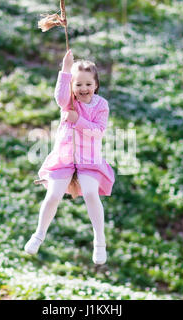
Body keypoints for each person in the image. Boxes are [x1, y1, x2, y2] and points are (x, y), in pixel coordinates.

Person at [25, 49, 115, 265]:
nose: (83, 88)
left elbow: (98, 131)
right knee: (53, 195)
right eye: (78, 84)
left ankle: (99, 241)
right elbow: (60, 95)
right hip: (65, 156)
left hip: (89, 159)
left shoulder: (101, 105)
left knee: (91, 193)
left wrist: (78, 120)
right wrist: (65, 70)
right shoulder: (68, 102)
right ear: (72, 87)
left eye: (88, 84)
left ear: (96, 85)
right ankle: (39, 234)